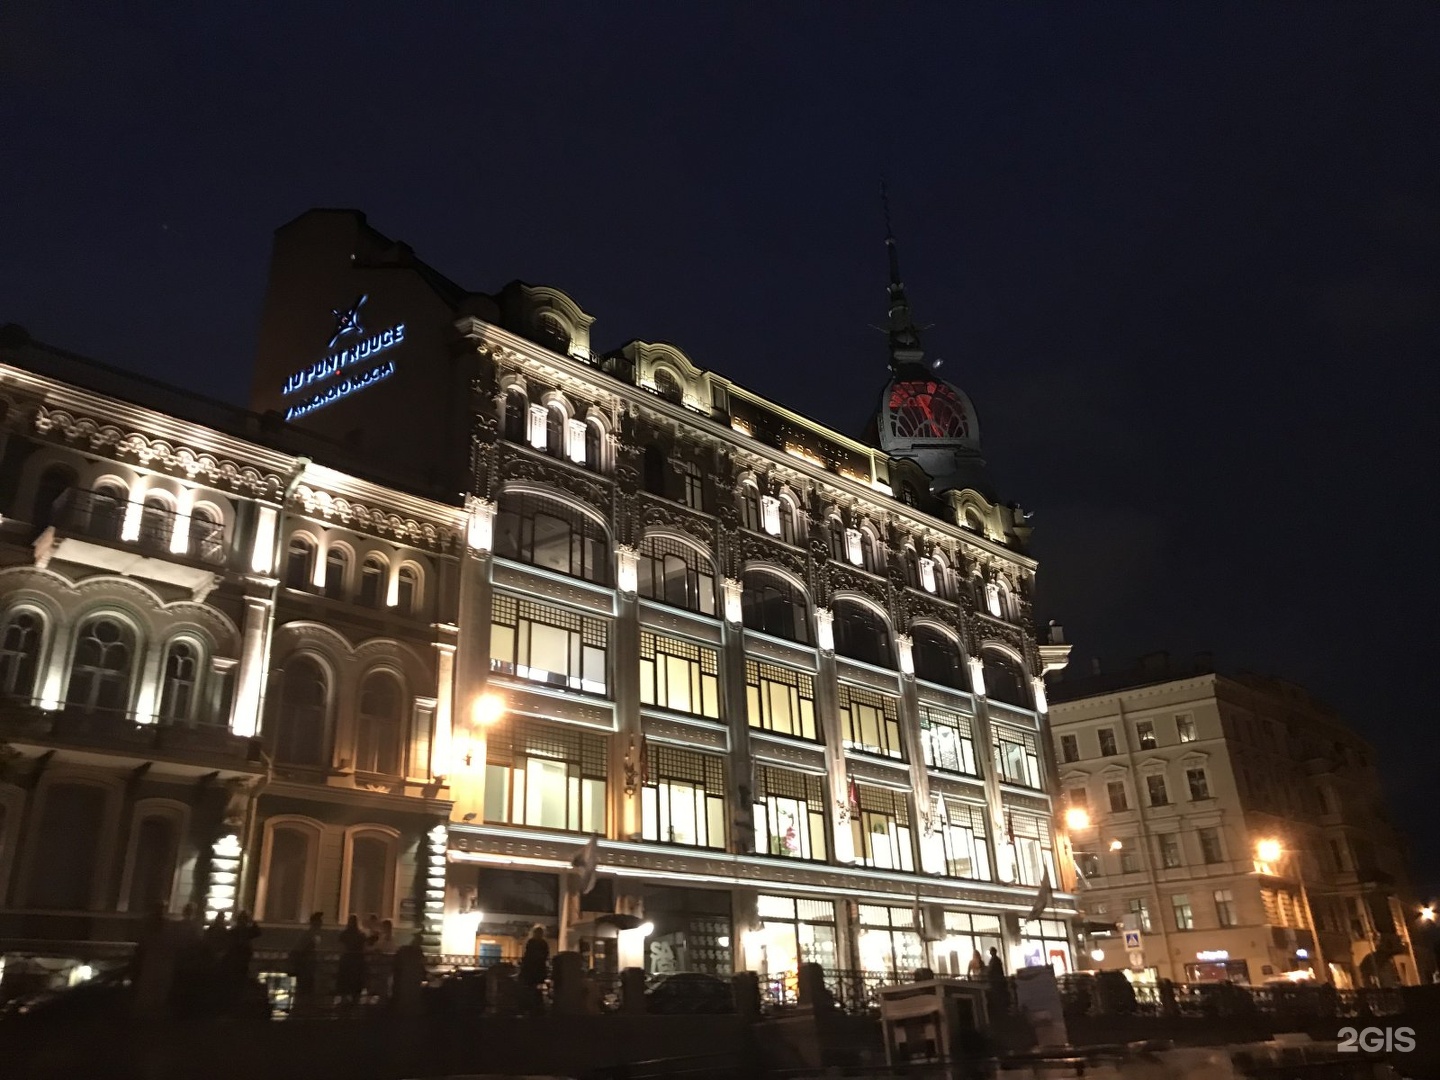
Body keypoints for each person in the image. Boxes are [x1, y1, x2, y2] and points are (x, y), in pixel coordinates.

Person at [289, 912, 324, 999]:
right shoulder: (310, 935)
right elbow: (299, 949)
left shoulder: (311, 934)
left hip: (308, 965)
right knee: (306, 988)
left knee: (306, 987)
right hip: (306, 966)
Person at [518, 925, 550, 1014]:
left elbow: (528, 955)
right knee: (535, 988)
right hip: (536, 969)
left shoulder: (532, 942)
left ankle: (532, 1006)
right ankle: (536, 1006)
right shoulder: (541, 943)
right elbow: (545, 955)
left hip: (532, 969)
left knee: (532, 987)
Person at [337, 914, 367, 1004]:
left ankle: (344, 999)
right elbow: (364, 948)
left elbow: (341, 947)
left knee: (345, 981)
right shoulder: (361, 935)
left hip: (347, 960)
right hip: (358, 961)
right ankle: (355, 1000)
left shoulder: (344, 934)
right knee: (356, 982)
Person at [986, 946, 1009, 1016]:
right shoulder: (996, 960)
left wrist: (988, 975)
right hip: (998, 981)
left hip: (996, 982)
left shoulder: (994, 960)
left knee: (997, 997)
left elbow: (991, 970)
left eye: (991, 951)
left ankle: (1000, 1011)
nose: (990, 952)